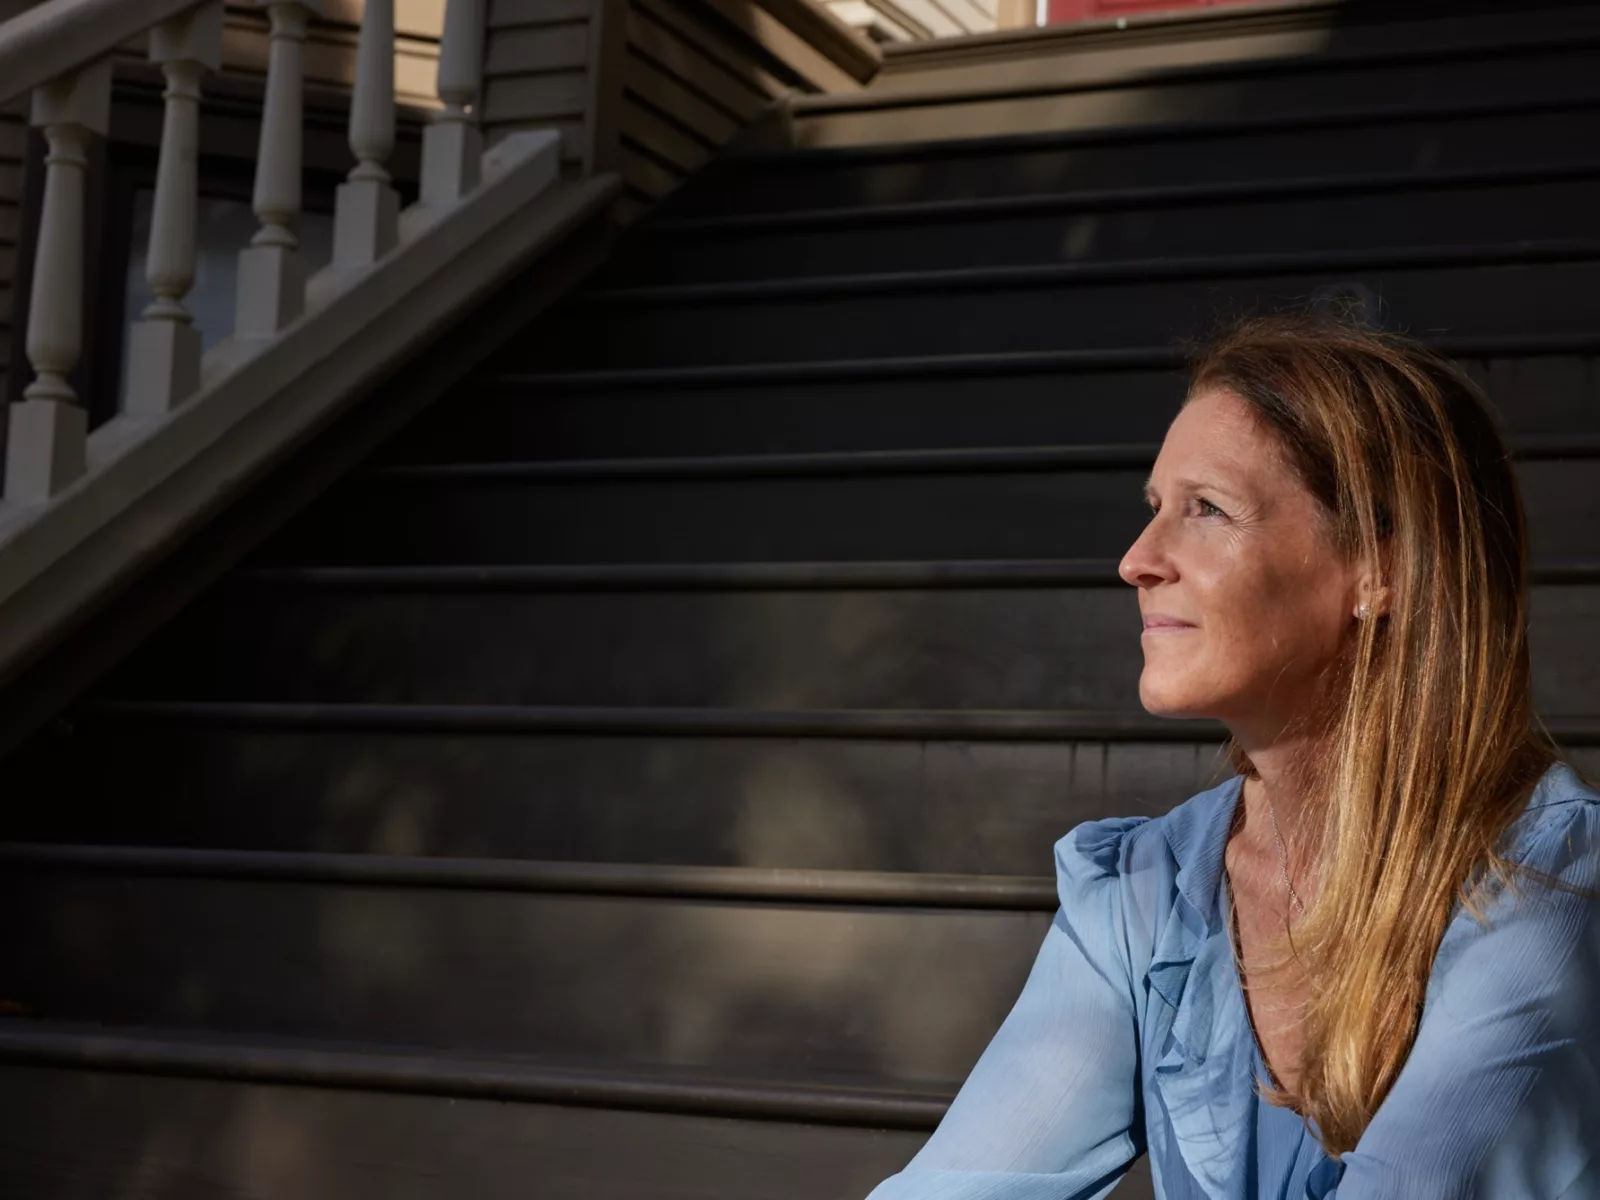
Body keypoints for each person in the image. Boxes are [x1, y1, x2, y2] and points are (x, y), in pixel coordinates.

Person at [865, 316, 1600, 1199]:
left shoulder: (1553, 887)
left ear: (1379, 568)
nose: (1137, 560)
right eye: (1155, 509)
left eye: (1206, 509)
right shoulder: (1148, 892)